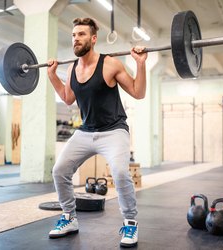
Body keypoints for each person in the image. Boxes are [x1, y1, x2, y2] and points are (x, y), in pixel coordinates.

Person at [46, 17, 147, 248]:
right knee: (59, 170)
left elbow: (138, 92)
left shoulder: (110, 64)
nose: (76, 39)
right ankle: (69, 217)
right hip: (86, 132)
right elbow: (68, 98)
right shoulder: (72, 68)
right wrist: (52, 75)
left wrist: (140, 64)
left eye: (81, 34)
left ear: (93, 39)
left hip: (114, 130)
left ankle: (130, 222)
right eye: (73, 35)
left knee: (120, 173)